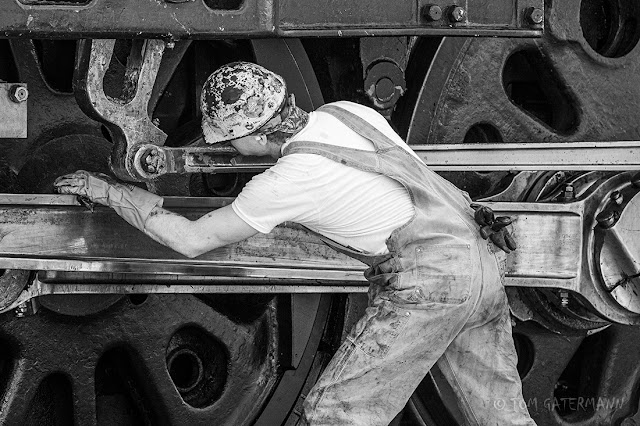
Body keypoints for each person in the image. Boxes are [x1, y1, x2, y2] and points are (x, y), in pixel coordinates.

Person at [55, 61, 535, 425]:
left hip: (430, 287)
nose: (226, 148)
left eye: (228, 139)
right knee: (501, 415)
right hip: (480, 264)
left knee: (337, 415)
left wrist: (111, 192)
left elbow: (193, 240)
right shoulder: (347, 114)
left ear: (252, 134)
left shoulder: (288, 180)